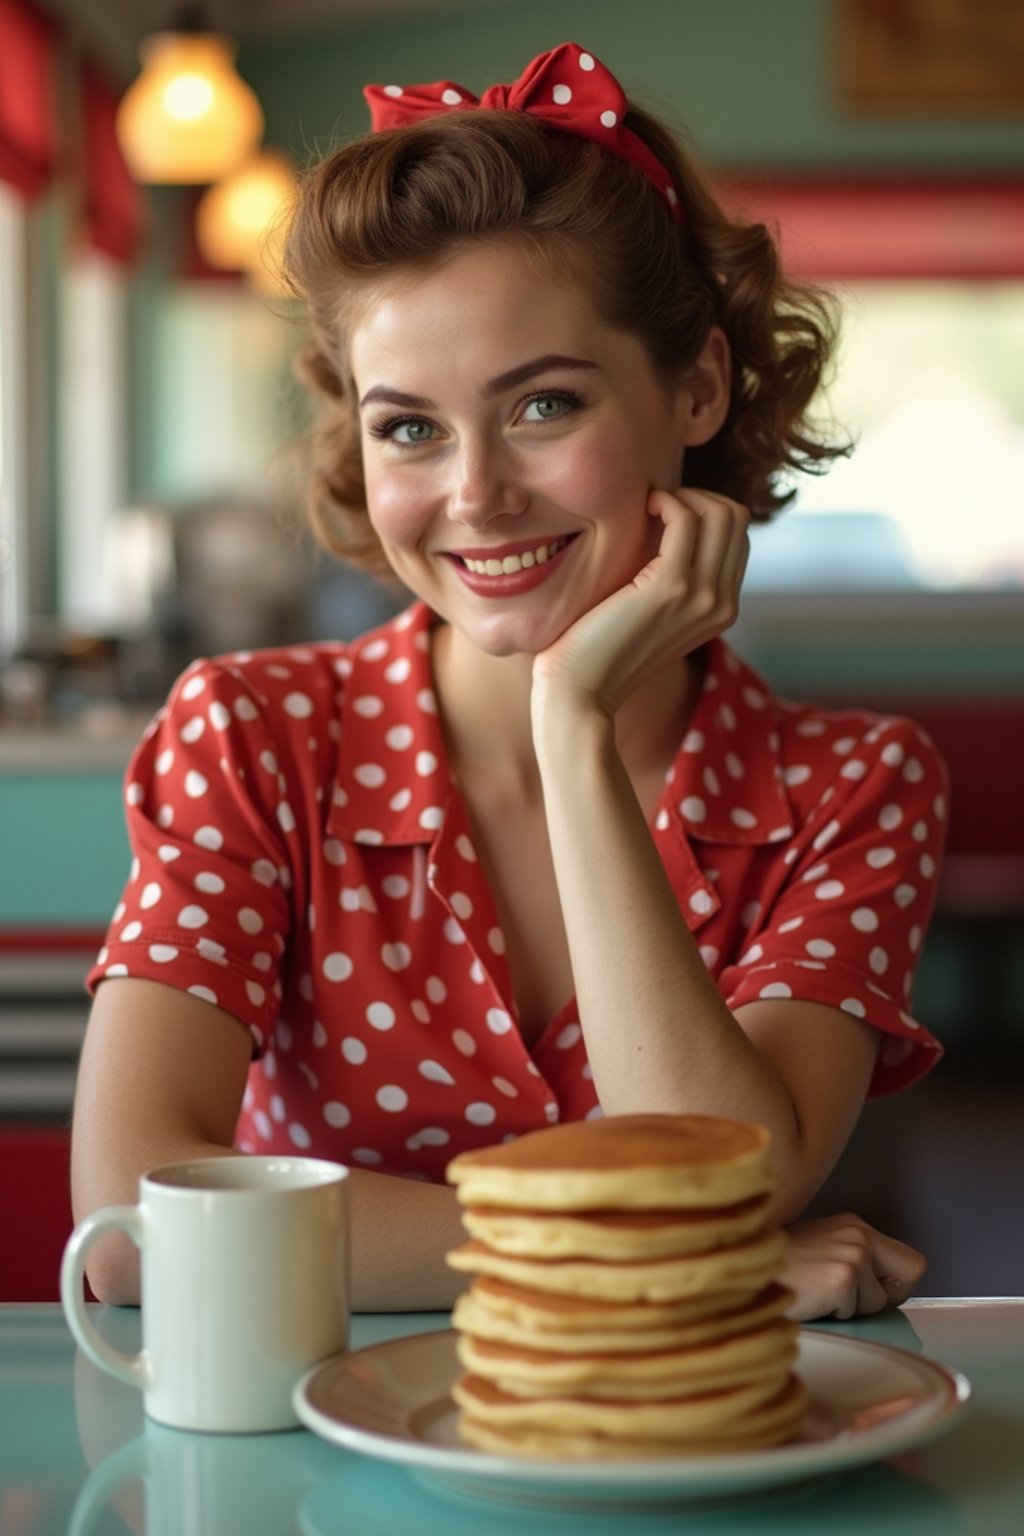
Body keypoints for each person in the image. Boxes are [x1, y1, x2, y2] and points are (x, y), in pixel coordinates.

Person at [71, 43, 946, 1320]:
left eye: (542, 406)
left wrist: (573, 722)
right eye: (409, 426)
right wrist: (631, 1242)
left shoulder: (851, 786)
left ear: (696, 384)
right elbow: (131, 1225)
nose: (473, 495)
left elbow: (732, 1188)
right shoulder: (251, 735)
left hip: (670, 1468)